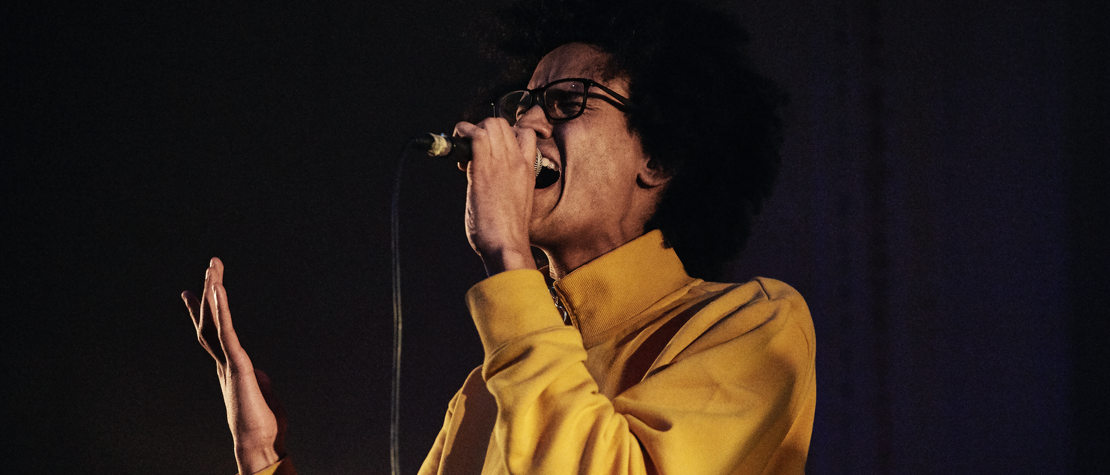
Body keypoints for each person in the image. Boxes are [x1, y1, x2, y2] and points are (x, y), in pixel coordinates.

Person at [184, 0, 816, 474]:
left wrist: (510, 255)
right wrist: (262, 454)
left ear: (658, 156)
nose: (526, 122)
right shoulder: (490, 385)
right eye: (523, 104)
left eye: (568, 102)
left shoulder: (751, 324)